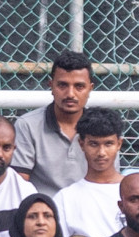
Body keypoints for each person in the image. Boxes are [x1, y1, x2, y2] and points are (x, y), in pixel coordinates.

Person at [54, 108, 139, 237]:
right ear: (81, 144)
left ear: (119, 144)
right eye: (93, 144)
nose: (101, 152)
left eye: (108, 144)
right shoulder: (65, 199)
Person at [11, 51, 94, 194]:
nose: (70, 94)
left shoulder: (100, 127)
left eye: (79, 86)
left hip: (88, 211)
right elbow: (19, 186)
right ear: (51, 86)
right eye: (62, 85)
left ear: (90, 89)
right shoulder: (27, 125)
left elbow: (109, 182)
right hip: (43, 211)